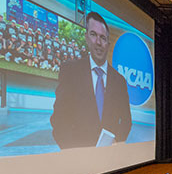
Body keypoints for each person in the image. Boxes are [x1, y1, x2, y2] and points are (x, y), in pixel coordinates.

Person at [50, 12, 132, 149]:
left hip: (109, 158)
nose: (98, 42)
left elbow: (126, 121)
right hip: (77, 160)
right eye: (93, 35)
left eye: (103, 38)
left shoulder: (119, 81)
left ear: (108, 43)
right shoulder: (70, 71)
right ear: (86, 37)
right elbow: (58, 119)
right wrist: (71, 150)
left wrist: (117, 141)